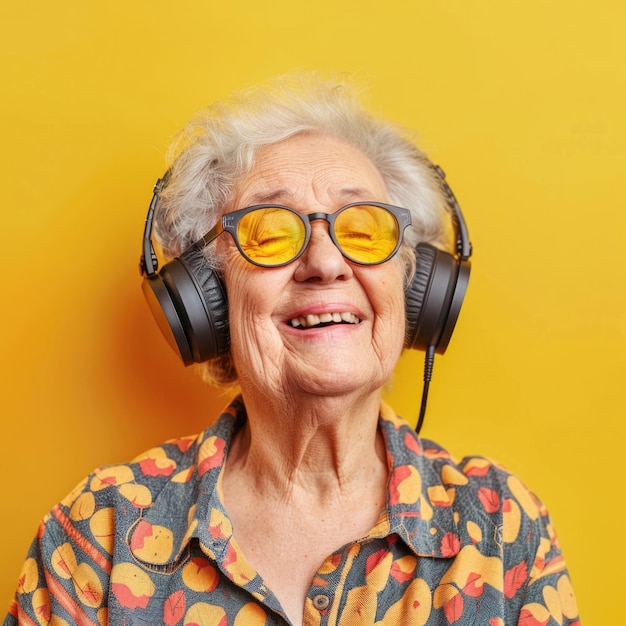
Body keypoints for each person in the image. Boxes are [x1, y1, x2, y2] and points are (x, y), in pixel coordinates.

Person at [6, 73, 579, 625]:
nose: (326, 263)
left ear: (413, 288)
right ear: (209, 297)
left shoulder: (502, 530)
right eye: (270, 232)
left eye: (363, 228)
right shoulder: (97, 538)